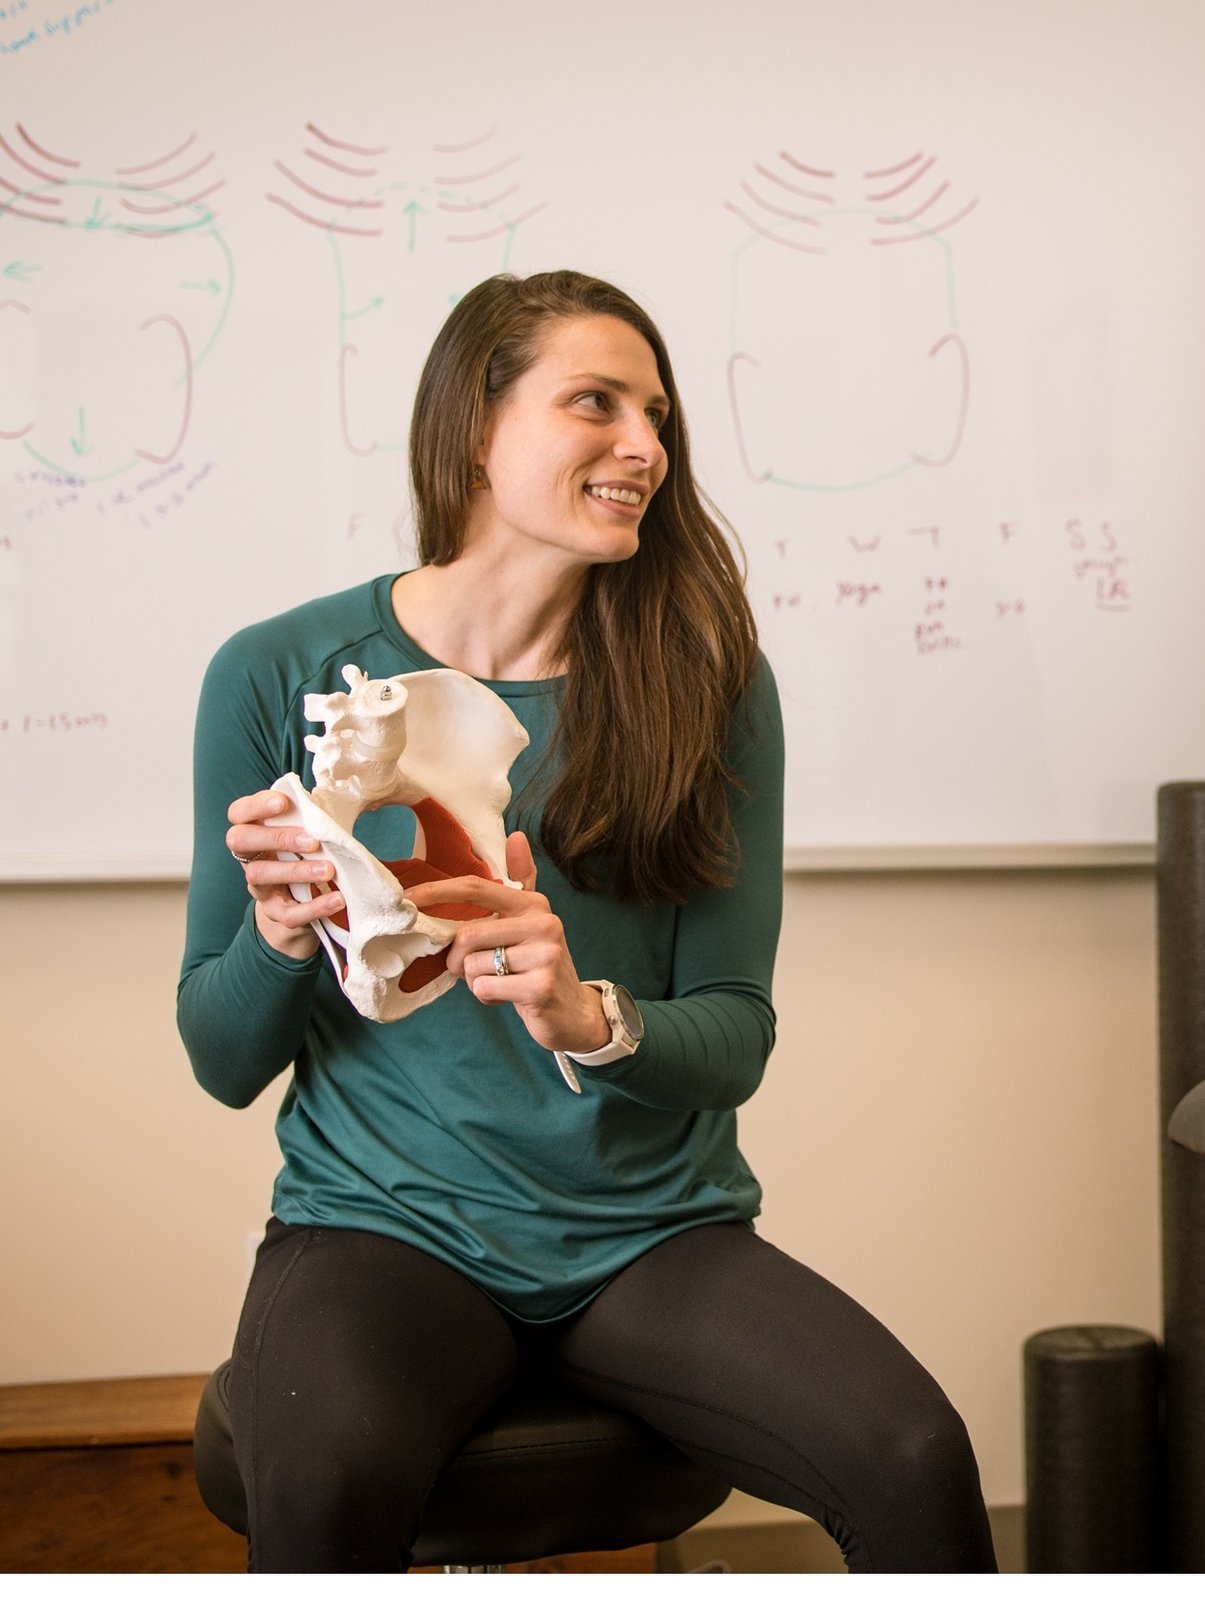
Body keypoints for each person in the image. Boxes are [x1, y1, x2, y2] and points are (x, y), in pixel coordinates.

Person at [178, 270, 996, 1573]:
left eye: (657, 415)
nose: (647, 447)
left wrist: (589, 1015)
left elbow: (736, 1035)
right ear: (474, 429)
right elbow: (219, 1059)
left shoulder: (707, 686)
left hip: (646, 1231)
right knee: (327, 1482)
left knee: (915, 1456)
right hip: (384, 1222)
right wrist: (281, 935)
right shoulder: (280, 673)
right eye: (596, 404)